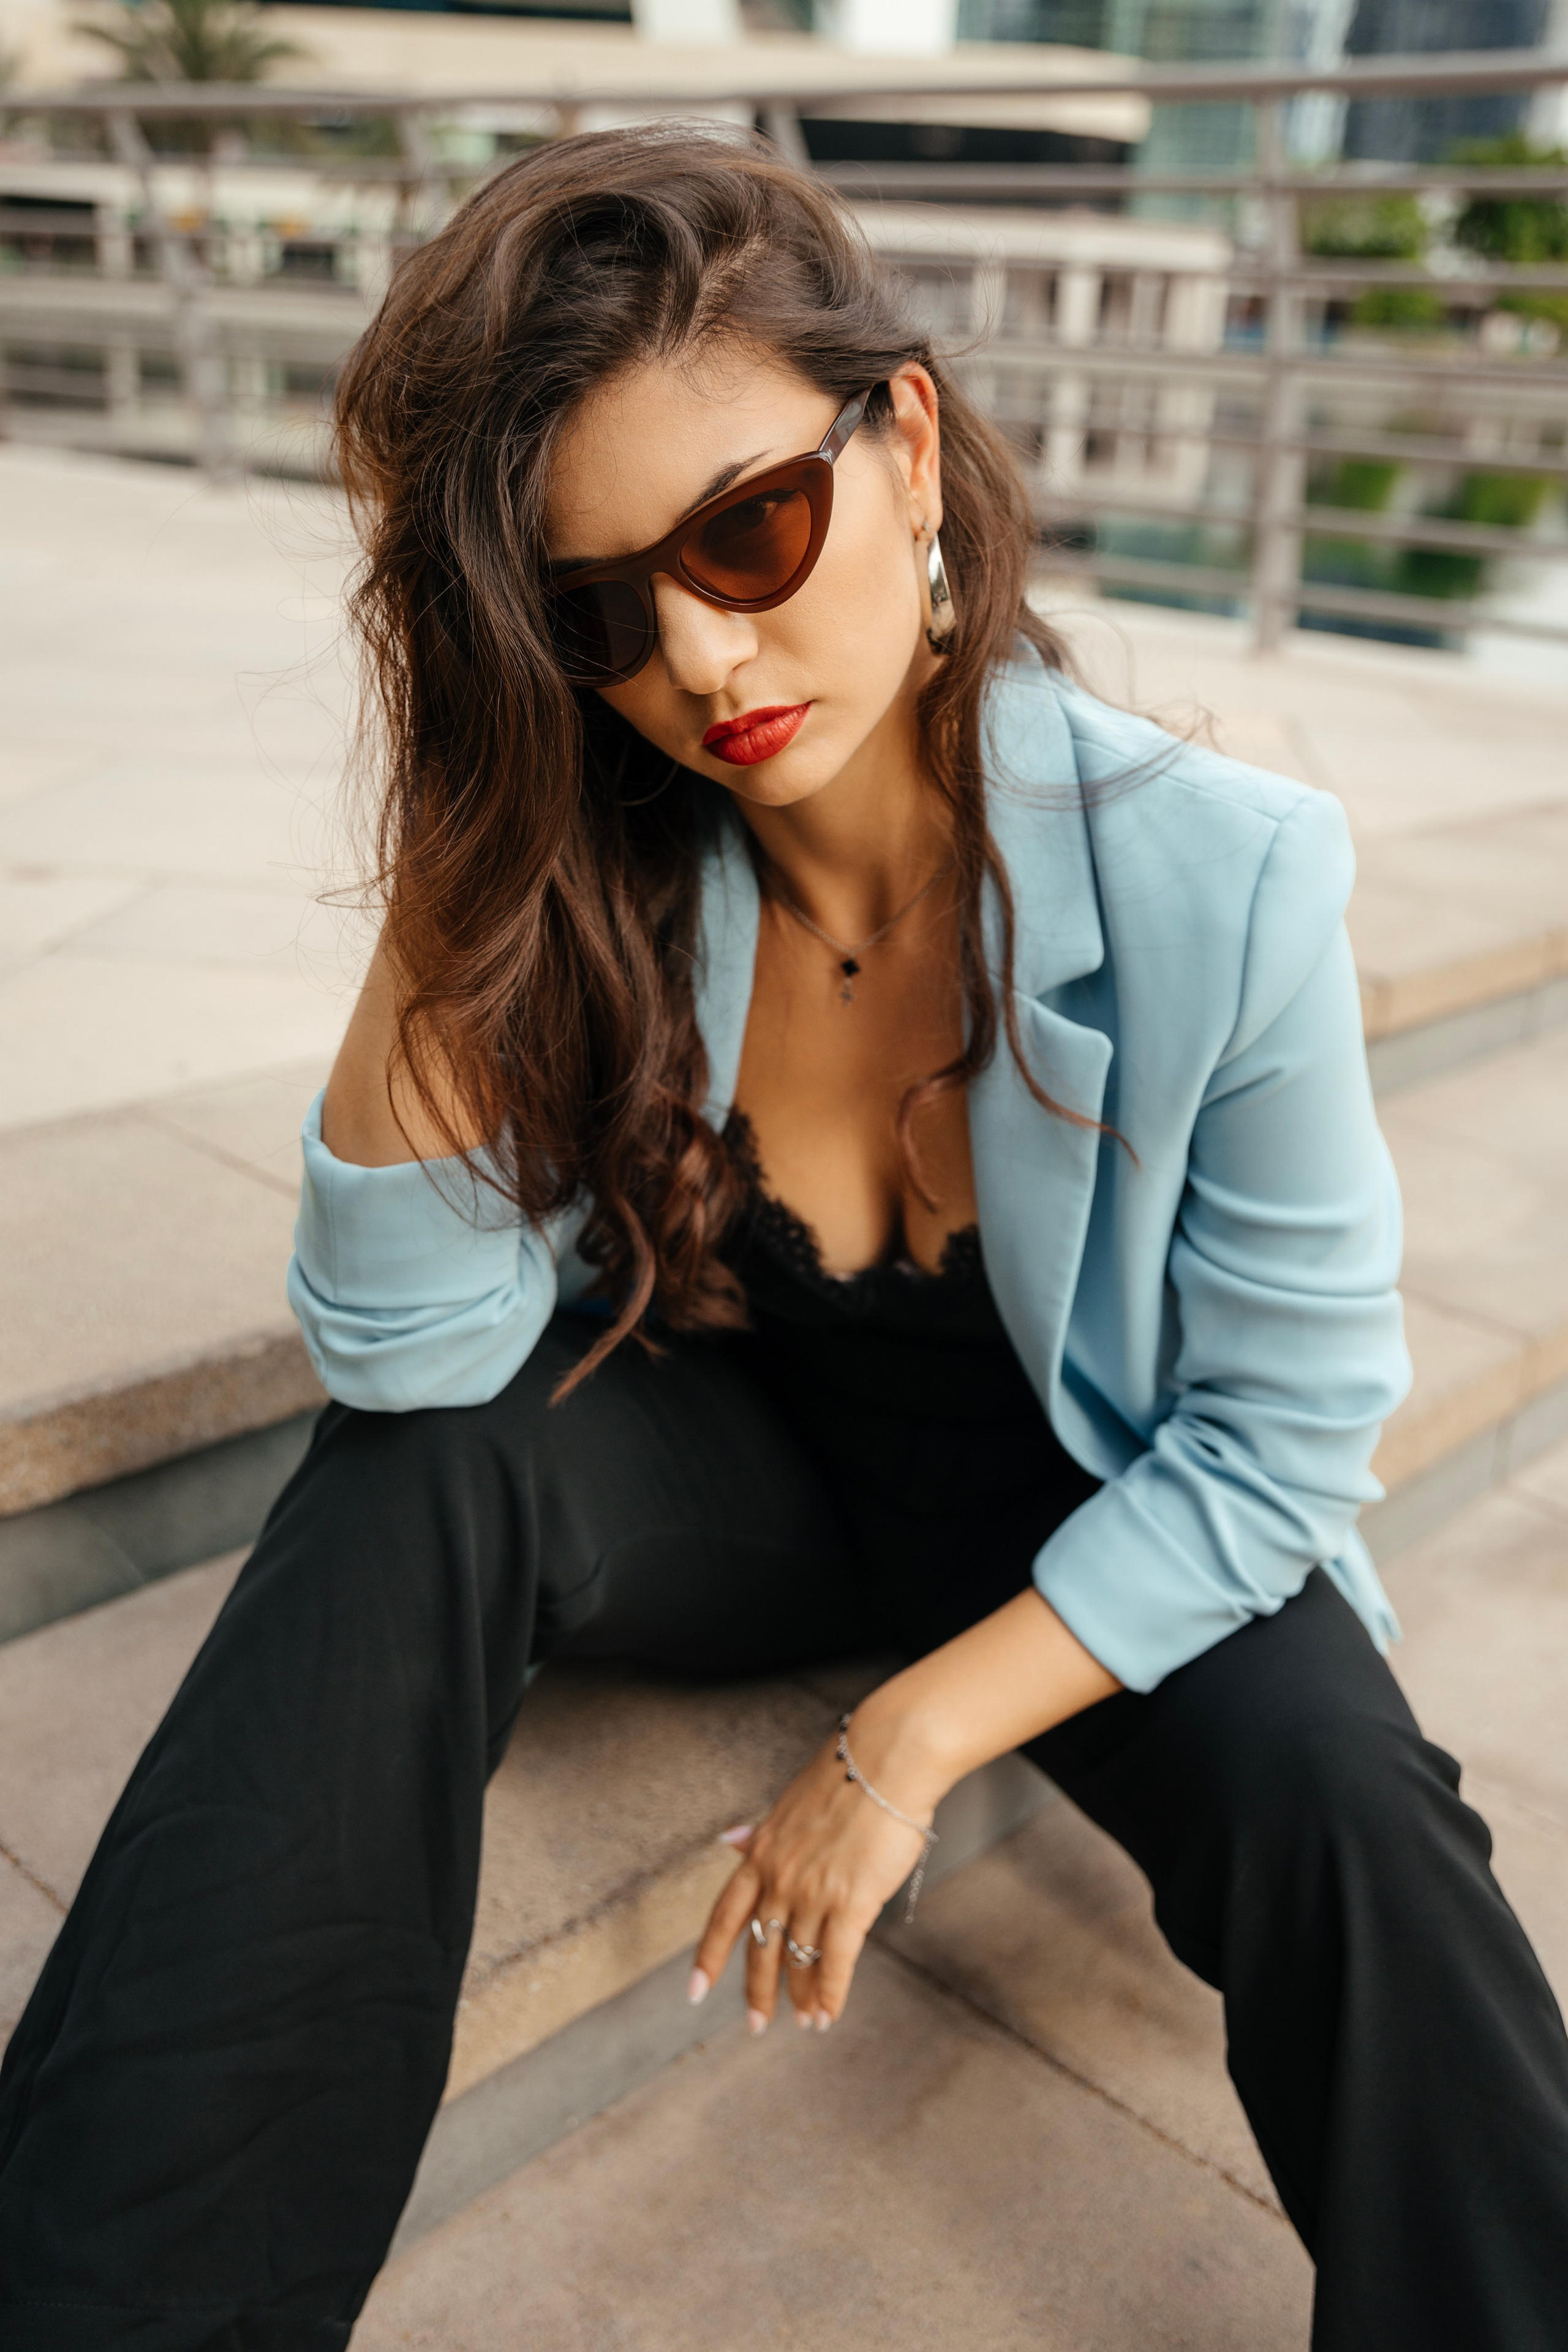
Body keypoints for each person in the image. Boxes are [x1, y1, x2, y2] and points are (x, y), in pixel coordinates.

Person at [2, 125, 1566, 2352]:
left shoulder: (1220, 871)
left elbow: (1292, 1438)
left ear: (906, 441)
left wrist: (900, 1749)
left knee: (1349, 1799)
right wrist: (469, 794)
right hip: (743, 1472)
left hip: (1090, 1505)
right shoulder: (608, 857)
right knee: (408, 1480)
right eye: (596, 610)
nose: (700, 654)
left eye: (748, 528)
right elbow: (410, 1348)